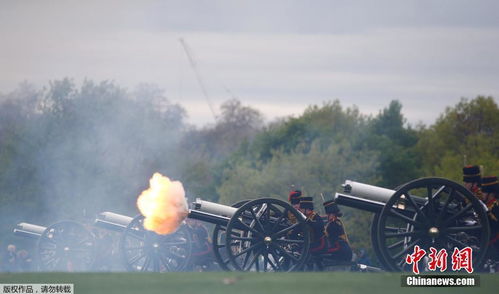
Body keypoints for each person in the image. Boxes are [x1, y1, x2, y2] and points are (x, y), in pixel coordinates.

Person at [481, 176, 499, 267]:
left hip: (495, 245)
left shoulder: (496, 206)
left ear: (491, 193)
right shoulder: (487, 204)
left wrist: (487, 213)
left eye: (484, 191)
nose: (481, 193)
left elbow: (495, 226)